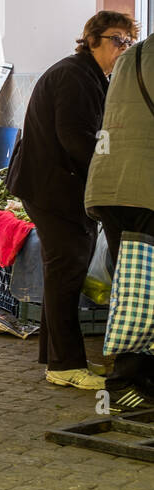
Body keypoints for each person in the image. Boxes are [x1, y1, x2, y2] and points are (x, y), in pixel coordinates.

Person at [8, 11, 132, 390]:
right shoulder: (76, 76)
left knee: (64, 274)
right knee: (67, 274)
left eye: (128, 42)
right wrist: (111, 170)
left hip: (58, 188)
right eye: (115, 39)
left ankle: (58, 357)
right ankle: (64, 364)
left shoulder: (94, 76)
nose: (122, 48)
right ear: (91, 38)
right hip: (53, 190)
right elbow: (77, 139)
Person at [84, 23, 153, 407]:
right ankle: (132, 380)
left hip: (111, 188)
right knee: (145, 285)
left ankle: (130, 378)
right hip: (144, 188)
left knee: (133, 284)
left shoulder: (131, 57)